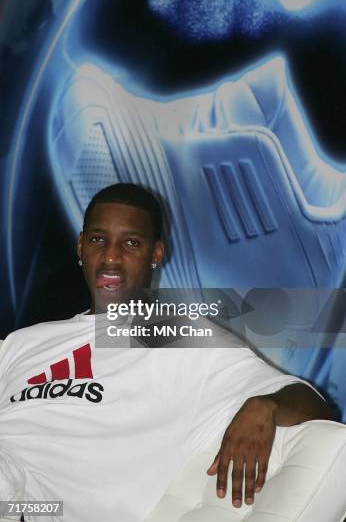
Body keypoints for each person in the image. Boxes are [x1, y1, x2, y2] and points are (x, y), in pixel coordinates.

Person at [0, 183, 340, 522]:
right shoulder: (24, 342)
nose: (110, 257)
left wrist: (267, 405)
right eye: (97, 240)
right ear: (80, 246)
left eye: (131, 243)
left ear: (156, 254)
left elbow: (313, 405)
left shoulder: (169, 332)